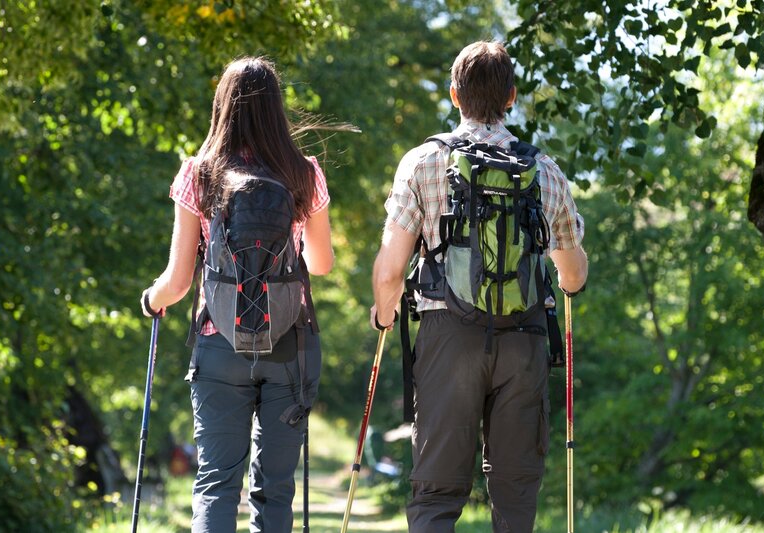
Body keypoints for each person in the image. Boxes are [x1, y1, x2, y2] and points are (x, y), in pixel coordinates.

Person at [370, 41, 588, 532]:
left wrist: (384, 313)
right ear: (511, 96)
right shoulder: (545, 171)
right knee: (515, 495)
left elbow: (389, 272)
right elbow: (573, 276)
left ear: (454, 94)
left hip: (448, 336)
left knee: (436, 492)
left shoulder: (424, 162)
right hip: (525, 339)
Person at [140, 57, 334, 533]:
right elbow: (321, 264)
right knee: (275, 489)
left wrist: (151, 299)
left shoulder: (198, 174)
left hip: (219, 342)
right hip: (289, 345)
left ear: (222, 107)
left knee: (216, 484)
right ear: (276, 108)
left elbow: (179, 282)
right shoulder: (303, 173)